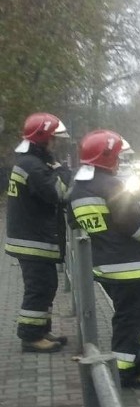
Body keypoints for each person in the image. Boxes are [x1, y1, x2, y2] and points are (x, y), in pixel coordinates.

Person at [67, 130, 140, 388]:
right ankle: (123, 373)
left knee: (139, 315)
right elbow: (134, 225)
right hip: (130, 267)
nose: (120, 161)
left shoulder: (77, 190)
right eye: (118, 156)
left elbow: (74, 222)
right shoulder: (113, 186)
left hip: (104, 266)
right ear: (107, 157)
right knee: (130, 320)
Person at [5, 112, 72, 352]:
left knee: (47, 284)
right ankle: (31, 337)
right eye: (53, 138)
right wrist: (62, 170)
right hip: (32, 239)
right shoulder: (32, 166)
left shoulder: (30, 162)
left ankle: (42, 329)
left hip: (32, 237)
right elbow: (58, 193)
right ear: (43, 138)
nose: (56, 143)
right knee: (39, 287)